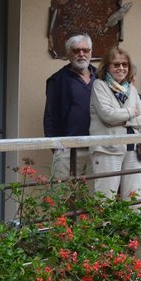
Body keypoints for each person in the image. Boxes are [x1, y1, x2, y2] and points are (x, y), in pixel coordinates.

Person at [89, 47, 141, 199]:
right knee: (105, 197)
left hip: (133, 149)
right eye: (116, 64)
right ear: (107, 66)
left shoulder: (131, 89)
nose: (121, 68)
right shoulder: (99, 85)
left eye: (125, 64)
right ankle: (105, 225)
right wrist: (131, 112)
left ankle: (130, 224)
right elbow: (108, 115)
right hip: (108, 149)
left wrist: (120, 120)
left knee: (134, 197)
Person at [44, 34, 96, 178]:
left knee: (94, 197)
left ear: (91, 52)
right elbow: (50, 115)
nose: (81, 54)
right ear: (68, 54)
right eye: (76, 50)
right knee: (64, 197)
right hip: (67, 149)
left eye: (85, 50)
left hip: (96, 148)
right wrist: (54, 146)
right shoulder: (57, 80)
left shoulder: (101, 77)